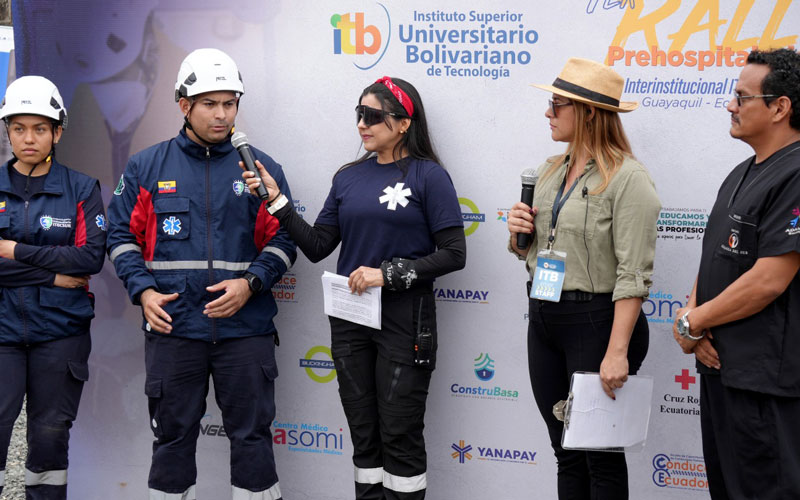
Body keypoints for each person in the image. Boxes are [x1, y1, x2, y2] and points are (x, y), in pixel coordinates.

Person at [242, 76, 465, 500]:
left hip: (405, 320)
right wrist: (277, 202)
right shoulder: (348, 177)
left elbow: (455, 253)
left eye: (374, 115)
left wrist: (388, 273)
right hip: (350, 320)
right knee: (364, 437)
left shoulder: (428, 176)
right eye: (359, 113)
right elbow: (318, 246)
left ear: (403, 123)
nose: (363, 124)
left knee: (399, 434)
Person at [106, 48, 296, 500]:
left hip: (245, 331)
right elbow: (119, 236)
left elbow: (285, 241)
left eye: (230, 103)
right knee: (172, 441)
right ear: (184, 105)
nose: (222, 114)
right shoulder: (146, 167)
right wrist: (143, 293)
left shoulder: (260, 169)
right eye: (209, 103)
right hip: (174, 331)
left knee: (252, 441)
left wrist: (250, 284)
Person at [506, 58, 660, 499]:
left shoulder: (629, 179)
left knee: (601, 458)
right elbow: (530, 252)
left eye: (557, 105)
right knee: (565, 450)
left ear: (590, 113)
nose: (548, 113)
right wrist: (519, 235)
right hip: (545, 318)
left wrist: (616, 353)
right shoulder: (551, 169)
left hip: (597, 324)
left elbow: (633, 275)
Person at [672, 48, 800, 500]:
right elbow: (715, 257)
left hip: (763, 383)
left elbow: (769, 279)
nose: (730, 105)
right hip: (720, 373)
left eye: (742, 97)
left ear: (780, 107)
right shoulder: (740, 172)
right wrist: (692, 316)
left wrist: (695, 321)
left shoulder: (796, 173)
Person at [0, 75, 106, 499]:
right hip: (2, 333)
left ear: (57, 131)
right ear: (7, 130)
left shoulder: (82, 188)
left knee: (49, 440)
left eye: (40, 128)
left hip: (60, 334)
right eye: (19, 127)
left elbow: (89, 259)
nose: (29, 138)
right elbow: (68, 264)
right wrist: (50, 273)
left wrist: (12, 251)